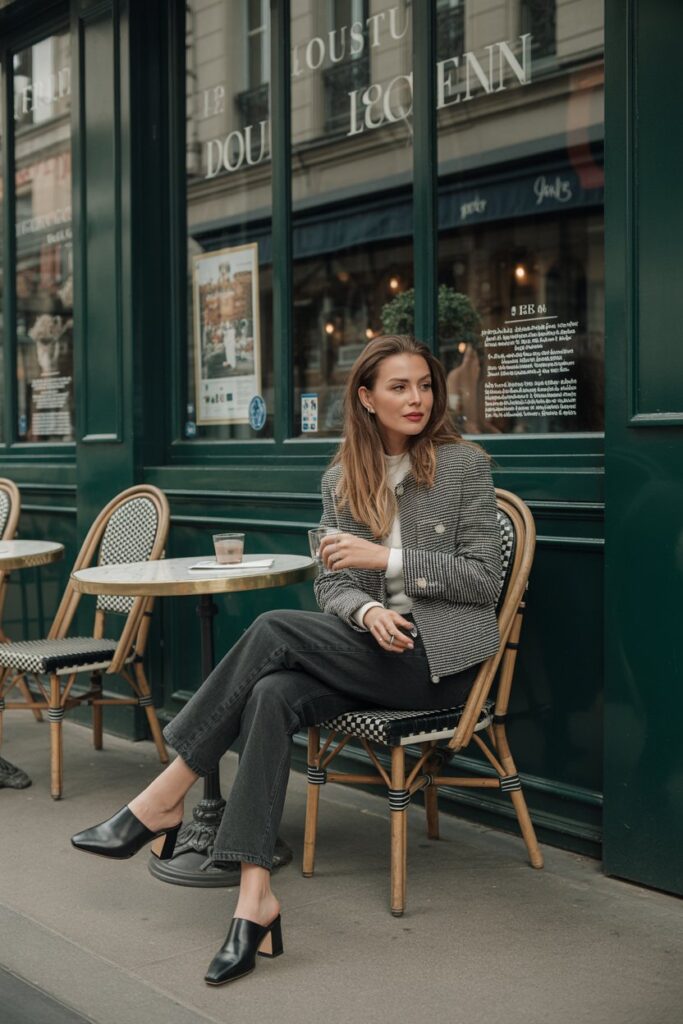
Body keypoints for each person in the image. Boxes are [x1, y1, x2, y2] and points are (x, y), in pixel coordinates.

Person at [71, 334, 502, 986]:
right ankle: (254, 903)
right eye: (399, 386)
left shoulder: (461, 465)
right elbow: (333, 585)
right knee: (271, 692)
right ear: (364, 396)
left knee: (272, 627)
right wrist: (366, 611)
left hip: (437, 664)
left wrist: (385, 562)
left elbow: (483, 580)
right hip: (372, 650)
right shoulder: (342, 478)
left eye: (424, 385)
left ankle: (160, 800)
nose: (417, 398)